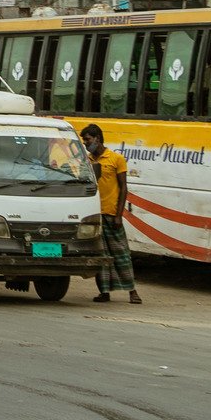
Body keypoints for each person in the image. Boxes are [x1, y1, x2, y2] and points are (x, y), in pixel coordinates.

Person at [81, 123, 140, 304]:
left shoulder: (116, 159)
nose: (85, 143)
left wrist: (119, 215)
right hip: (94, 216)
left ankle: (132, 291)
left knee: (121, 254)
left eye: (88, 140)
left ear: (97, 138)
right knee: (100, 255)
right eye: (84, 140)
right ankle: (104, 292)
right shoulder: (87, 161)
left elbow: (123, 189)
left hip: (111, 214)